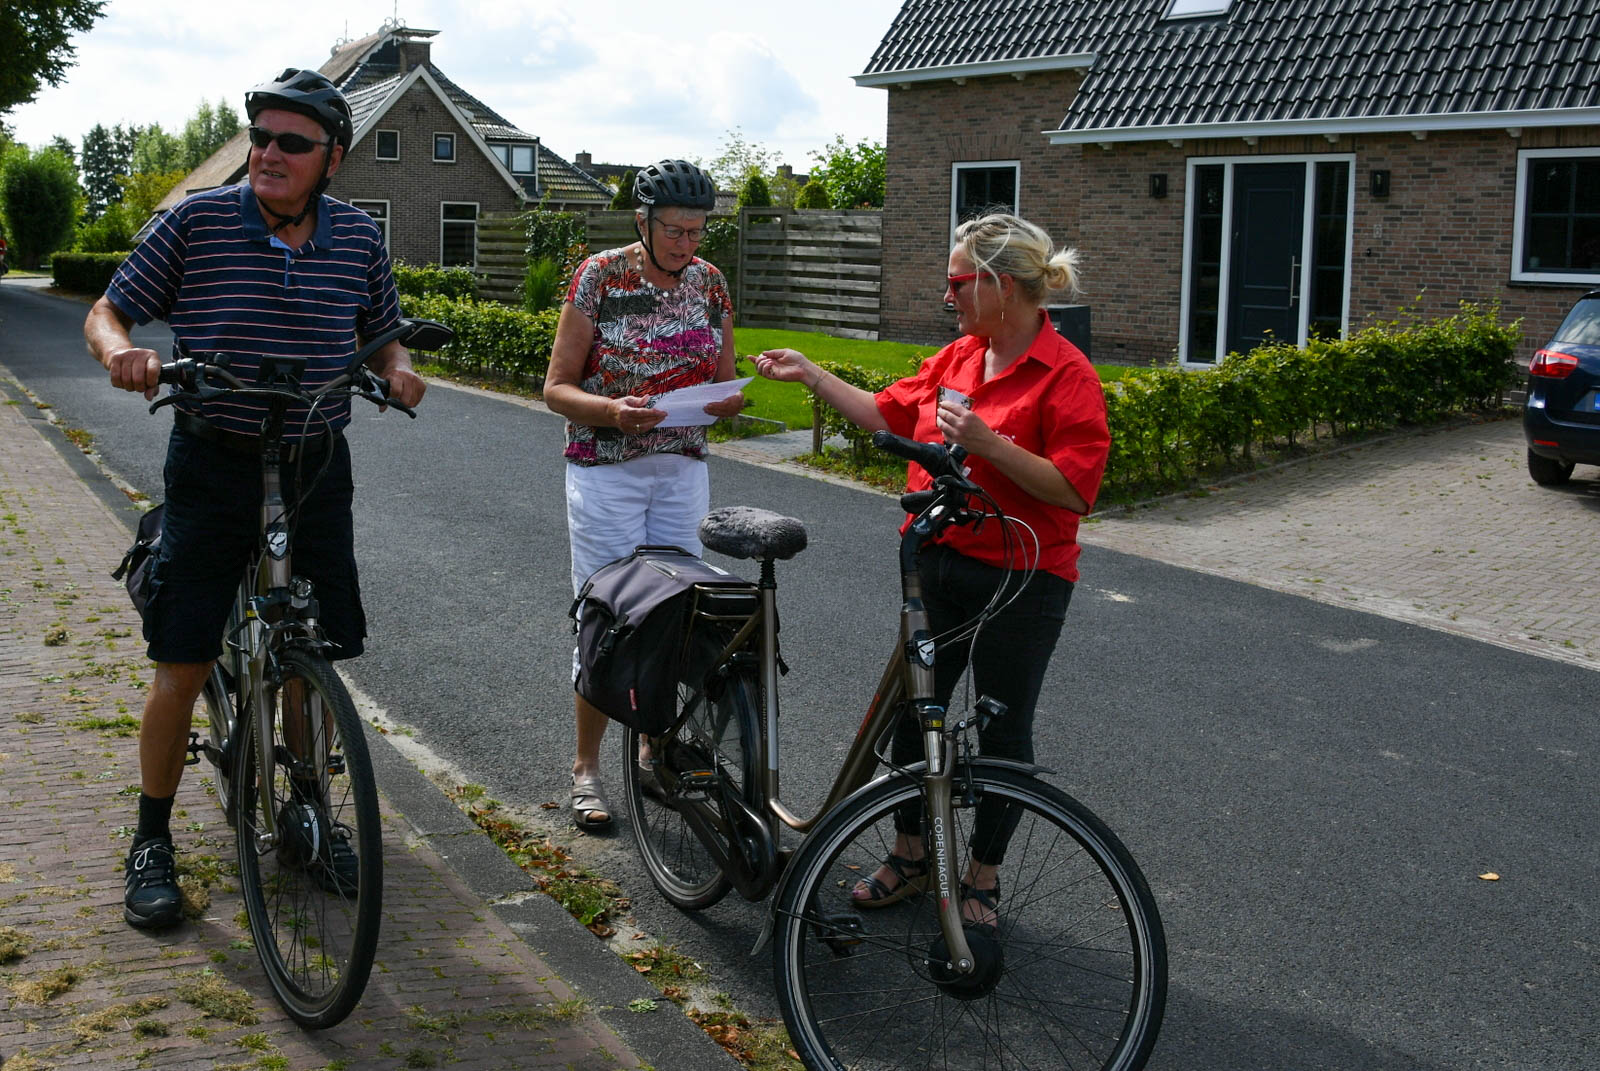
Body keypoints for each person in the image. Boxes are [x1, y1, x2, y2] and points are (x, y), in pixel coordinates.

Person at [83, 68, 425, 929]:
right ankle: (151, 838)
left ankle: (306, 808)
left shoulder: (357, 237)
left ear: (332, 159)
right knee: (184, 656)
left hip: (314, 461)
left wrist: (398, 368)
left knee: (312, 644)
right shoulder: (197, 222)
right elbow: (106, 312)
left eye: (291, 143)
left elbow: (382, 334)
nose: (268, 154)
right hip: (214, 458)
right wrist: (121, 352)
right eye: (260, 138)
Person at [753, 212, 1109, 930]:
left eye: (959, 283)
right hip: (939, 563)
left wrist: (990, 444)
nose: (949, 297)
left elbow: (1075, 490)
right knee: (917, 713)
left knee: (1003, 728)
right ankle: (912, 854)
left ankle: (982, 875)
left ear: (1001, 285)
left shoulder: (1067, 375)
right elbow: (886, 415)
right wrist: (811, 373)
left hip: (1023, 578)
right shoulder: (959, 358)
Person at [544, 159, 744, 831]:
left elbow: (723, 377)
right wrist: (611, 412)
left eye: (697, 231)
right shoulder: (600, 276)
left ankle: (655, 750)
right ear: (642, 221)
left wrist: (728, 401)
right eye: (675, 230)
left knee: (678, 611)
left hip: (681, 468)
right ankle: (586, 767)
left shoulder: (710, 283)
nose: (687, 244)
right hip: (607, 470)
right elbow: (556, 389)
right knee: (608, 615)